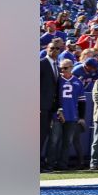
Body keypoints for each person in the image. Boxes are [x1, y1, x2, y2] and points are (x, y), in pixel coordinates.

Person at [44, 59, 86, 172]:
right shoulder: (56, 81)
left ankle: (62, 164)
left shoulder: (78, 82)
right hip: (57, 115)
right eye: (60, 68)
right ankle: (49, 164)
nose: (62, 70)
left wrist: (81, 117)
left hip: (72, 116)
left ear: (71, 67)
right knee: (53, 140)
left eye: (65, 68)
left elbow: (82, 101)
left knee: (67, 142)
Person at [40, 40, 64, 169]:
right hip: (41, 107)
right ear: (47, 49)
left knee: (44, 135)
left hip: (50, 107)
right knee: (39, 135)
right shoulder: (41, 64)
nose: (54, 50)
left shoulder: (57, 66)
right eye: (51, 48)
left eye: (56, 49)